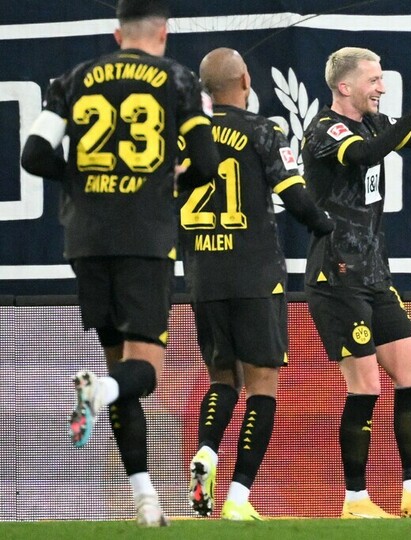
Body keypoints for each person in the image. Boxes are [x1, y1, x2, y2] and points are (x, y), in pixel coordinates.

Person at [20, 0, 219, 527]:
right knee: (141, 372)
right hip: (143, 237)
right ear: (164, 32)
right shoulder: (179, 80)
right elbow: (206, 163)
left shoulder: (72, 79)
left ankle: (144, 497)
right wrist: (168, 181)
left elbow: (33, 155)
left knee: (119, 367)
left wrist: (82, 179)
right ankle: (100, 393)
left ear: (117, 33)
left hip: (86, 239)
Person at [301, 47, 411, 519]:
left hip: (375, 275)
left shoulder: (374, 122)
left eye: (381, 79)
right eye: (373, 80)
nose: (381, 87)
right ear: (345, 87)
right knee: (365, 386)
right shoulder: (325, 130)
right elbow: (366, 154)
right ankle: (355, 499)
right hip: (336, 276)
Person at [180, 47, 334, 521]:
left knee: (222, 379)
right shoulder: (262, 131)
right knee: (262, 387)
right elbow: (296, 198)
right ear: (245, 80)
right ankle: (238, 497)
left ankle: (207, 450)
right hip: (254, 274)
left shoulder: (184, 136)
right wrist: (327, 227)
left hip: (203, 276)